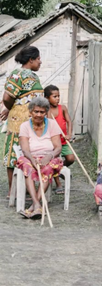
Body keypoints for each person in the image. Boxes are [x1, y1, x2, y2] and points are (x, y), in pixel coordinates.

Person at [1, 46, 44, 194]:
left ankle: (26, 188)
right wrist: (12, 108)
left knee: (29, 152)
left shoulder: (33, 75)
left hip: (33, 122)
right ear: (30, 60)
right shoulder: (17, 74)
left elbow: (24, 97)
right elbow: (7, 97)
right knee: (15, 152)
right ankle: (12, 190)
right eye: (38, 59)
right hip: (19, 121)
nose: (40, 62)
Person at [16, 96, 64, 219]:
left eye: (42, 112)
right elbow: (25, 149)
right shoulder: (25, 126)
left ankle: (34, 206)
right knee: (28, 168)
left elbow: (58, 147)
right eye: (36, 111)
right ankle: (37, 204)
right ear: (30, 111)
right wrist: (32, 160)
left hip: (49, 156)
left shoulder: (52, 124)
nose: (38, 114)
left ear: (46, 112)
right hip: (30, 156)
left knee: (48, 169)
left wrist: (49, 156)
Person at [44, 85, 75, 194]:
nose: (57, 99)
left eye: (58, 96)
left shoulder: (63, 108)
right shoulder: (46, 110)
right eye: (54, 96)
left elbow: (69, 121)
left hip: (64, 140)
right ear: (47, 98)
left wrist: (69, 133)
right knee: (55, 162)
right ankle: (58, 184)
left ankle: (60, 170)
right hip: (53, 143)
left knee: (71, 158)